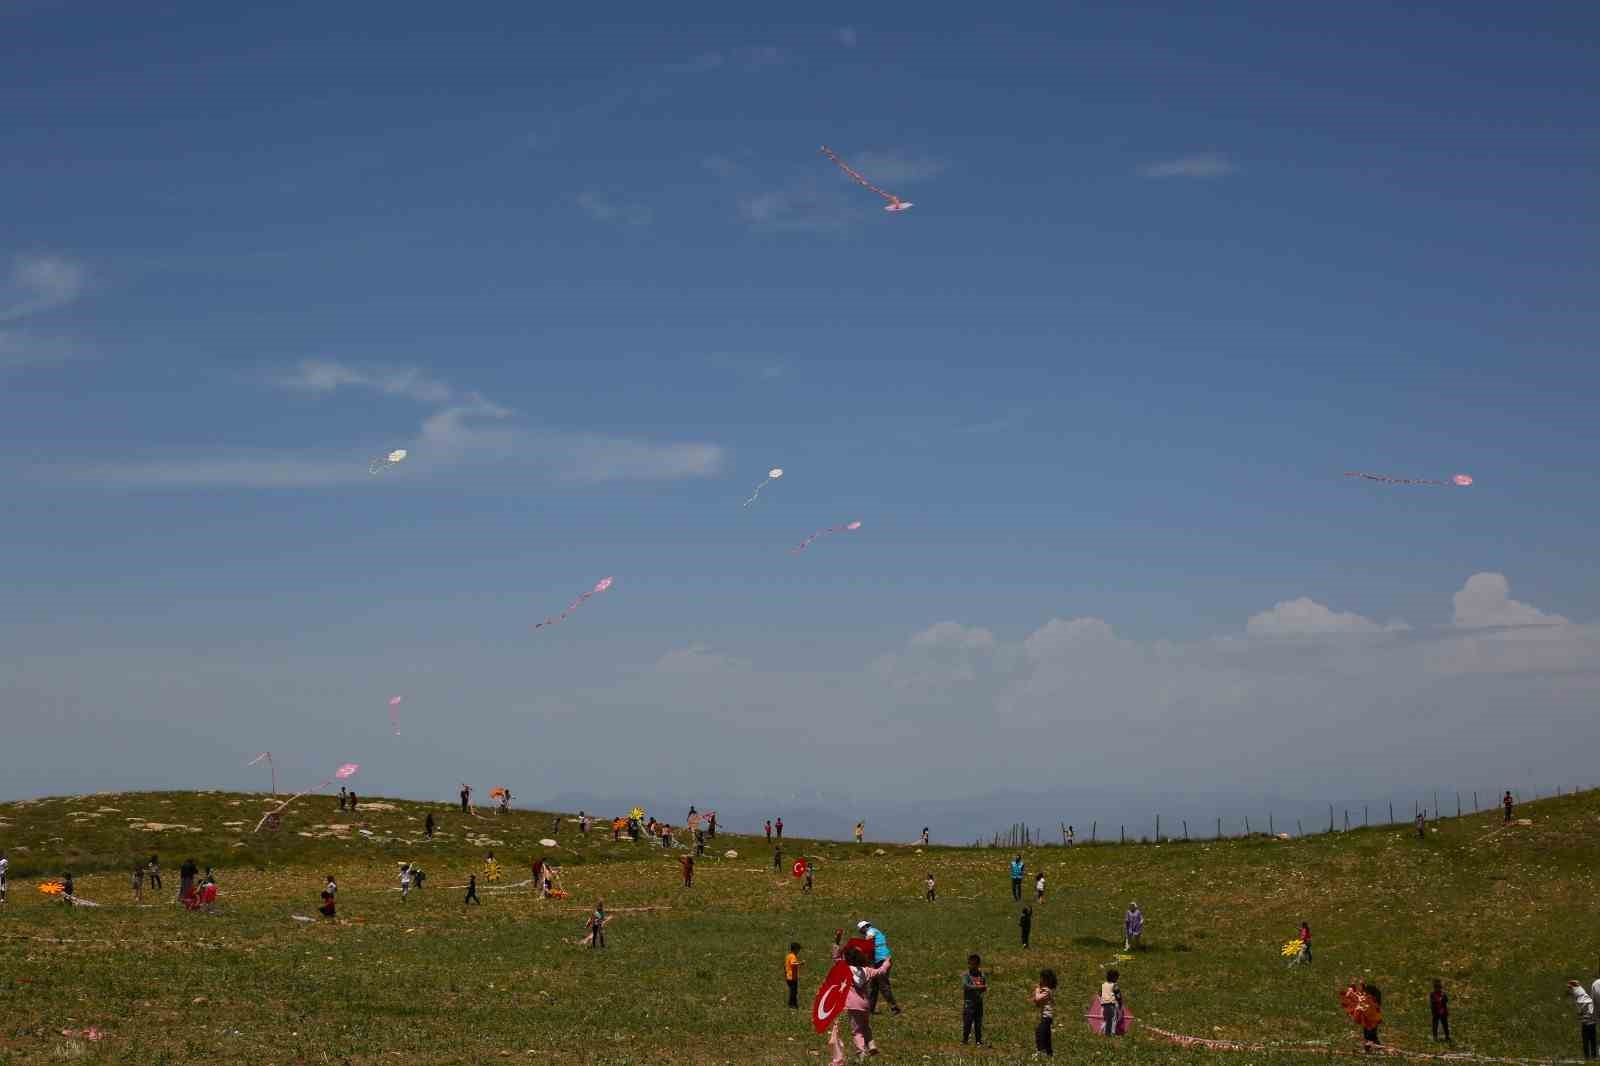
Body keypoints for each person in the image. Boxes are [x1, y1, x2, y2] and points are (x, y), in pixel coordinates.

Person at [843, 947, 889, 1059]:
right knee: (866, 1026)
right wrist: (886, 962)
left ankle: (861, 1052)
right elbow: (881, 971)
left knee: (857, 1030)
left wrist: (836, 943)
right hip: (865, 1004)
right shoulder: (867, 970)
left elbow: (836, 959)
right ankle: (872, 1045)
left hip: (853, 1005)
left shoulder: (845, 970)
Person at [857, 920, 900, 1015]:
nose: (861, 933)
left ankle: (894, 1007)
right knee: (873, 985)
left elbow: (869, 939)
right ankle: (870, 1009)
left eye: (861, 931)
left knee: (883, 985)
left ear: (864, 928)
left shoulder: (871, 931)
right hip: (879, 961)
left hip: (883, 960)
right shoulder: (876, 931)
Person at [962, 953, 987, 1046]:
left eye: (974, 964)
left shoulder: (981, 975)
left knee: (978, 1023)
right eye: (970, 964)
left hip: (978, 1002)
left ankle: (978, 1040)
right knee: (967, 1022)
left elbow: (984, 986)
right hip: (969, 1003)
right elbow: (966, 986)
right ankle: (965, 1039)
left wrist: (980, 987)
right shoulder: (967, 975)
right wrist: (978, 987)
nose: (972, 966)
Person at [1033, 968, 1058, 1056]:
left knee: (1040, 1032)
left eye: (1041, 978)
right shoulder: (1046, 991)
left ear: (1045, 980)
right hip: (1047, 1017)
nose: (1040, 980)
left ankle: (1040, 1051)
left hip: (1046, 1017)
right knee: (1046, 1034)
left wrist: (1036, 990)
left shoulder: (1046, 991)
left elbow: (1037, 999)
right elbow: (1038, 1003)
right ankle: (1049, 1053)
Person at [1572, 981, 1598, 1059]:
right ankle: (1594, 1056)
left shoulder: (1580, 997)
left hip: (1586, 1022)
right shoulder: (1584, 995)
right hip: (1592, 1021)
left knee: (1586, 1040)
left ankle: (1588, 1057)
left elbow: (1580, 1011)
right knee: (1592, 1039)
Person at [1099, 969, 1124, 1036]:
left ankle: (1103, 1032)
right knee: (1113, 1020)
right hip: (1112, 1005)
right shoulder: (1115, 985)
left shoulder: (1103, 985)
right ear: (1114, 977)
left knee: (1106, 1020)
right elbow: (1118, 996)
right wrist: (1120, 1003)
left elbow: (1100, 994)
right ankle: (1111, 1034)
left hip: (1104, 1006)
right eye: (1117, 977)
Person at [785, 942, 802, 1008]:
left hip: (789, 976)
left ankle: (794, 1004)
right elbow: (793, 963)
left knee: (793, 991)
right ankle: (791, 1004)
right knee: (793, 992)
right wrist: (800, 963)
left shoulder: (788, 956)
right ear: (795, 949)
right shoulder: (792, 956)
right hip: (792, 977)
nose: (798, 951)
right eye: (798, 950)